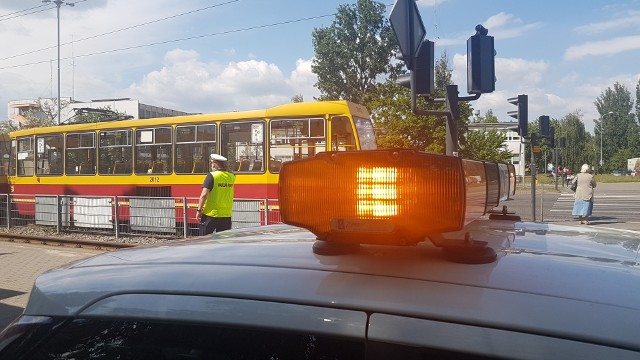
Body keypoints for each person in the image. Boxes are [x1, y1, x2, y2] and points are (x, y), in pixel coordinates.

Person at [196, 154, 236, 235]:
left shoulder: (212, 176)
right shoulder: (232, 176)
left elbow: (204, 195)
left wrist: (199, 210)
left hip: (211, 214)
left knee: (204, 240)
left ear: (214, 164)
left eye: (212, 163)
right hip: (226, 215)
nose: (211, 165)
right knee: (224, 241)